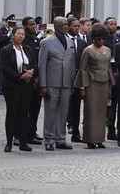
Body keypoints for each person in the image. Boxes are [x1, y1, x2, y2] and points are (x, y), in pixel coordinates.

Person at [38, 16, 77, 151]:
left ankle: (61, 138)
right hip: (52, 82)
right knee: (51, 111)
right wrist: (43, 85)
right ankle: (49, 139)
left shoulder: (69, 41)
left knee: (63, 111)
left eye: (67, 24)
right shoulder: (46, 42)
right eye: (63, 25)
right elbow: (41, 65)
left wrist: (72, 82)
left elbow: (72, 64)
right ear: (55, 26)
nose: (66, 27)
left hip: (66, 82)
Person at [74, 23, 114, 149]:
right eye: (98, 38)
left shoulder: (108, 50)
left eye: (103, 38)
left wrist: (110, 85)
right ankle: (90, 139)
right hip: (91, 84)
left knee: (102, 113)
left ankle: (100, 139)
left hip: (104, 82)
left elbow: (108, 68)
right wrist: (82, 87)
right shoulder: (87, 50)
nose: (101, 41)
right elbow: (83, 69)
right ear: (93, 38)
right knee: (91, 112)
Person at [0, 25, 36, 152]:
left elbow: (33, 63)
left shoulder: (27, 48)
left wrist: (31, 72)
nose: (21, 36)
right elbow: (4, 68)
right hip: (12, 85)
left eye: (23, 34)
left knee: (24, 113)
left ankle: (23, 142)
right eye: (19, 34)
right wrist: (20, 76)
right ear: (13, 35)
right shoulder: (6, 50)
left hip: (26, 85)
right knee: (12, 113)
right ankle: (9, 142)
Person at [21, 17, 43, 145]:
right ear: (24, 26)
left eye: (34, 24)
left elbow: (38, 60)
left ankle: (32, 132)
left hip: (36, 78)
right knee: (24, 108)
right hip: (26, 77)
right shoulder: (23, 40)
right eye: (30, 25)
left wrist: (38, 77)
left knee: (35, 108)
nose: (33, 27)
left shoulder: (38, 40)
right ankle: (20, 133)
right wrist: (31, 76)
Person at [67, 18, 90, 144]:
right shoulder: (64, 41)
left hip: (78, 78)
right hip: (65, 79)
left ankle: (75, 132)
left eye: (77, 26)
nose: (76, 28)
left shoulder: (82, 43)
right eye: (74, 26)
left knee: (76, 107)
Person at [102, 16, 120, 140]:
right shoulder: (103, 40)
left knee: (116, 103)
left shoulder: (118, 39)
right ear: (105, 25)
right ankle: (110, 129)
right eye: (110, 24)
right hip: (106, 75)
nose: (113, 26)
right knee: (109, 105)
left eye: (114, 24)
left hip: (118, 75)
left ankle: (115, 129)